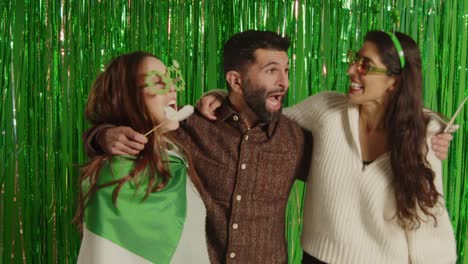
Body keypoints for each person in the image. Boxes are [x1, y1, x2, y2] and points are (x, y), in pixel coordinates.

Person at [83, 31, 313, 263]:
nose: (285, 82)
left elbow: (340, 168)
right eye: (272, 70)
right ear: (235, 81)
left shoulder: (294, 140)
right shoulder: (189, 124)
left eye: (286, 70)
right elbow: (134, 115)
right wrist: (102, 135)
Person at [284, 31, 457, 263]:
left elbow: (429, 226)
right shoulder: (326, 109)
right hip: (316, 258)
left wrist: (430, 127)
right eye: (356, 59)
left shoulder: (423, 138)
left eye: (365, 66)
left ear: (393, 82)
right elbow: (266, 118)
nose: (351, 70)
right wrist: (224, 98)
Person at [74, 51, 209, 264]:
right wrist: (102, 134)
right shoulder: (114, 175)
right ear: (128, 97)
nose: (172, 88)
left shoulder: (176, 156)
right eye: (157, 82)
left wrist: (219, 94)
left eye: (170, 79)